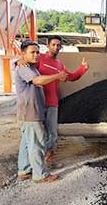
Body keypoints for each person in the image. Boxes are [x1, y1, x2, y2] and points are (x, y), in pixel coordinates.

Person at [15, 40, 68, 183]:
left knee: (27, 142)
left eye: (37, 52)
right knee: (37, 143)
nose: (36, 55)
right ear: (23, 54)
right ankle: (40, 174)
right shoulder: (25, 68)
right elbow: (38, 81)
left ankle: (24, 170)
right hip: (31, 112)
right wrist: (57, 76)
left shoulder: (32, 68)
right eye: (32, 52)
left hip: (31, 111)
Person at [37, 35, 89, 168]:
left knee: (52, 134)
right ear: (48, 46)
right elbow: (23, 66)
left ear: (61, 47)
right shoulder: (39, 58)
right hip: (37, 101)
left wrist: (82, 69)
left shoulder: (59, 65)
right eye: (53, 44)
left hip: (52, 102)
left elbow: (71, 77)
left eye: (58, 45)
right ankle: (35, 163)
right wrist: (20, 61)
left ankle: (47, 161)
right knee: (38, 133)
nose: (55, 47)